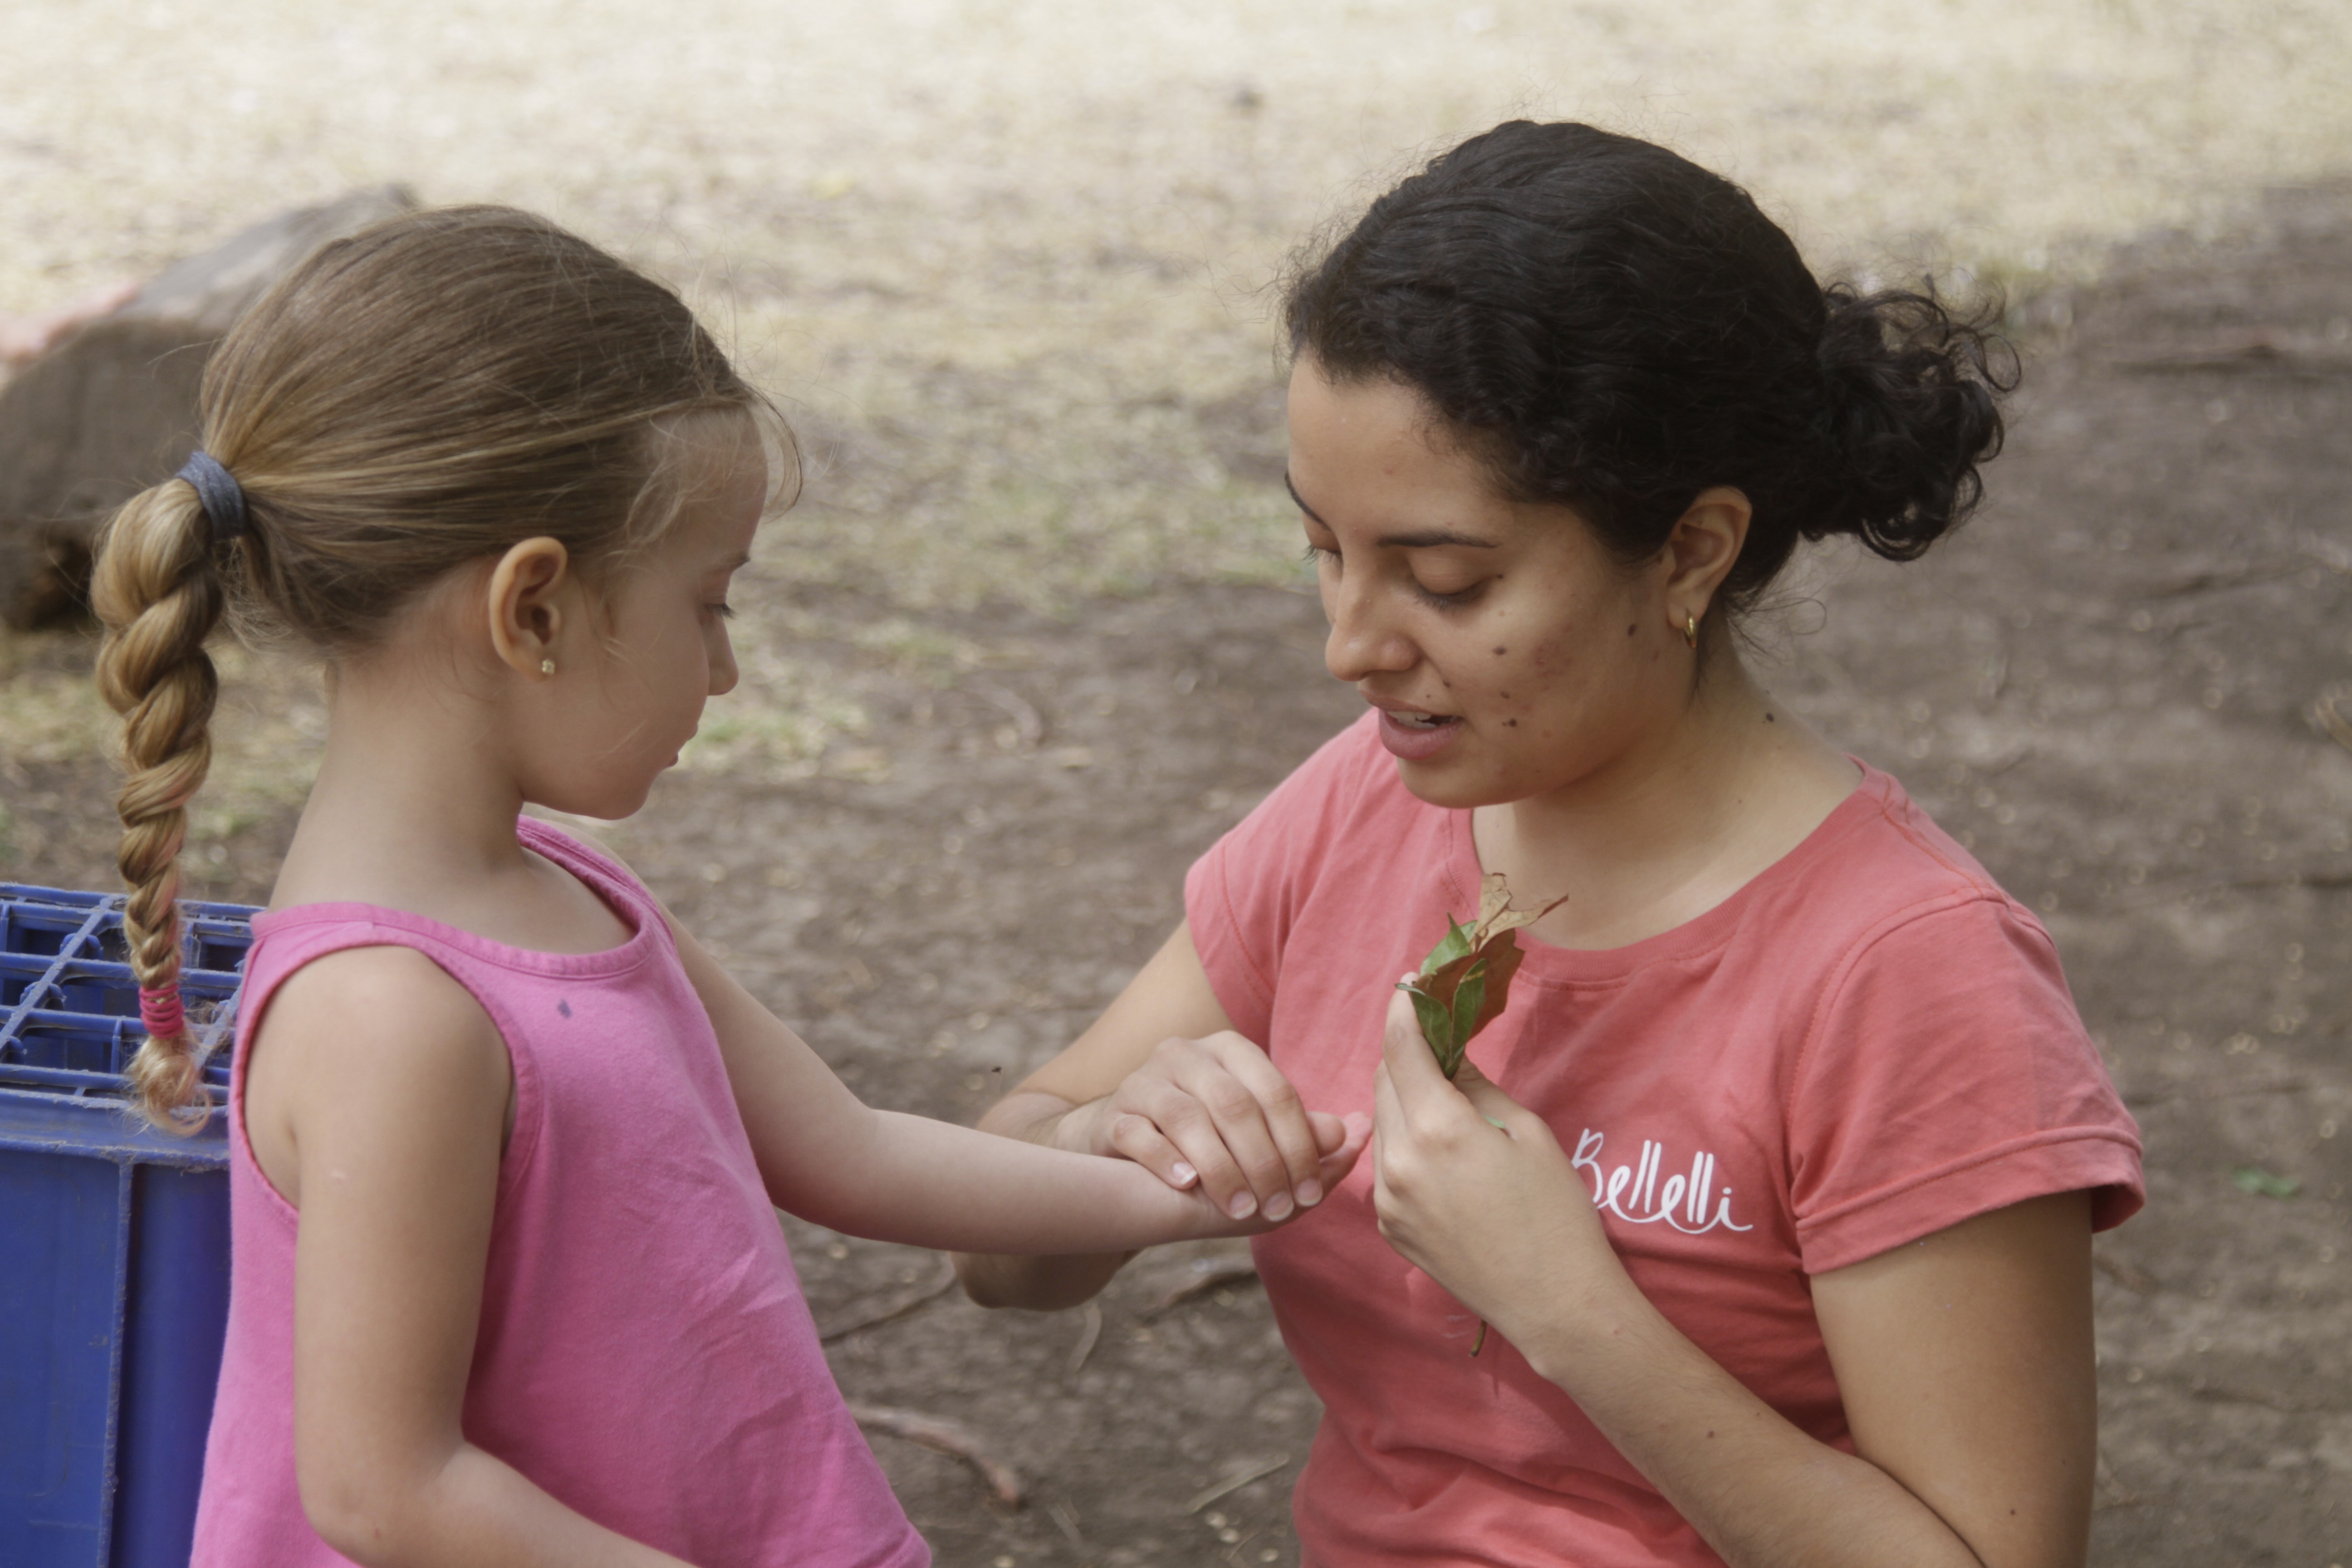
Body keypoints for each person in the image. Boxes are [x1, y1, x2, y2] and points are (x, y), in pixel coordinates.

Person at [91, 206, 1361, 1568]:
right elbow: (385, 1489)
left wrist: (1200, 1191)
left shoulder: (560, 887)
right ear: (534, 611)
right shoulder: (389, 1019)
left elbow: (855, 1153)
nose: (726, 668)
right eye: (713, 603)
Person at [956, 121, 2143, 1568]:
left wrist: (1570, 1311)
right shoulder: (1366, 807)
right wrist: (1115, 1144)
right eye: (1325, 548)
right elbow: (998, 1243)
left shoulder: (1905, 975)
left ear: (1695, 552)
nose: (1349, 645)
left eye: (1444, 580)